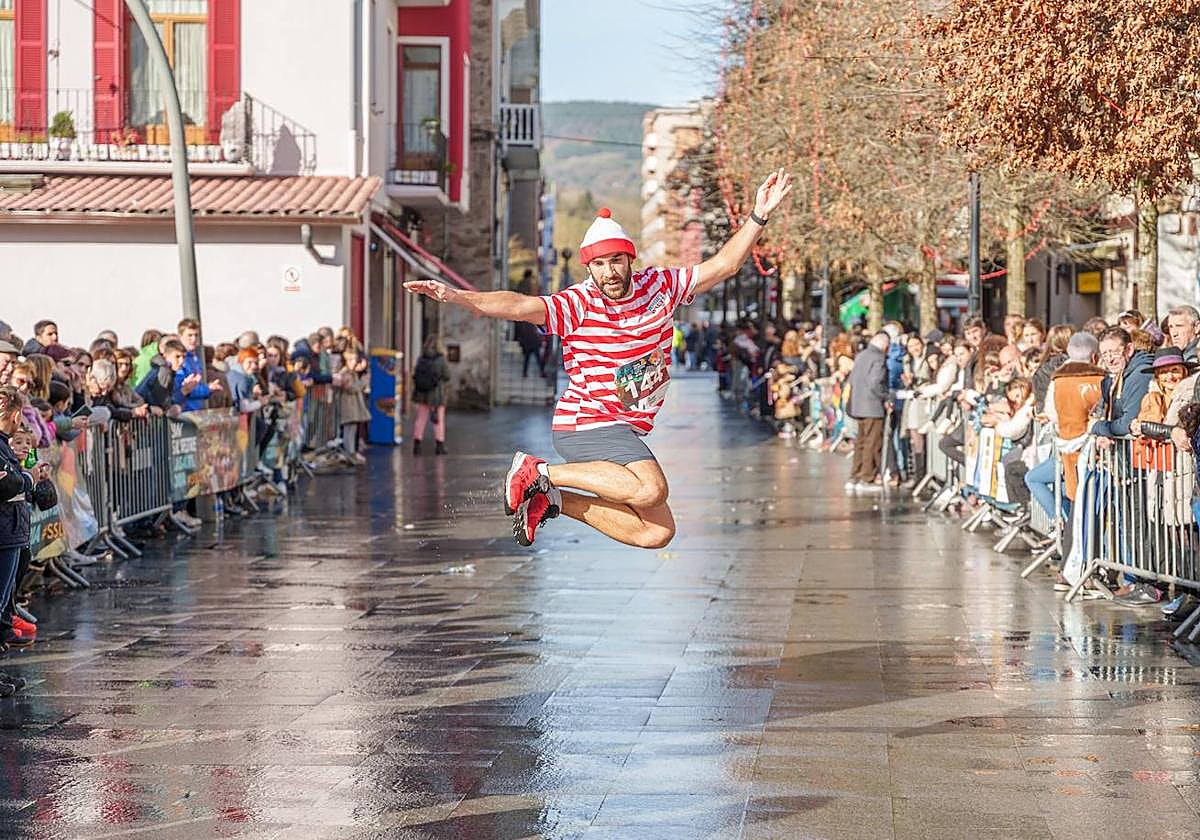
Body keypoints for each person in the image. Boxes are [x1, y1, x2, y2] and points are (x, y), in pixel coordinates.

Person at [404, 169, 794, 547]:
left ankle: (552, 499)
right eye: (599, 264)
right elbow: (520, 305)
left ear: (630, 259)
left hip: (625, 426)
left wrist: (759, 215)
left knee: (656, 532)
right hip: (588, 423)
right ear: (589, 267)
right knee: (651, 489)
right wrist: (458, 296)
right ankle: (536, 471)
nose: (609, 273)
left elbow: (725, 265)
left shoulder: (661, 286)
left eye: (616, 261)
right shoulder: (580, 302)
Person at [845, 332, 891, 493]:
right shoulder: (879, 358)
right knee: (872, 443)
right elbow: (875, 382)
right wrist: (886, 396)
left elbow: (852, 379)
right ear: (885, 346)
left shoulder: (861, 355)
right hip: (872, 406)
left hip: (858, 404)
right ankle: (867, 477)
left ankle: (855, 475)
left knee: (861, 442)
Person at [1091, 326, 1152, 446]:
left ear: (1129, 349)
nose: (1110, 360)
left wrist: (1097, 426)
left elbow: (1129, 422)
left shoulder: (1140, 374)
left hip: (1141, 451)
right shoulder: (1118, 374)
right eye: (1105, 354)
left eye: (1114, 353)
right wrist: (1104, 434)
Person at [411, 334, 452, 455]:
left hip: (422, 393)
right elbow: (447, 375)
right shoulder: (441, 359)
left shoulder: (422, 358)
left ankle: (417, 445)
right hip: (436, 394)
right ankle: (439, 446)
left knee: (420, 419)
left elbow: (415, 374)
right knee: (438, 420)